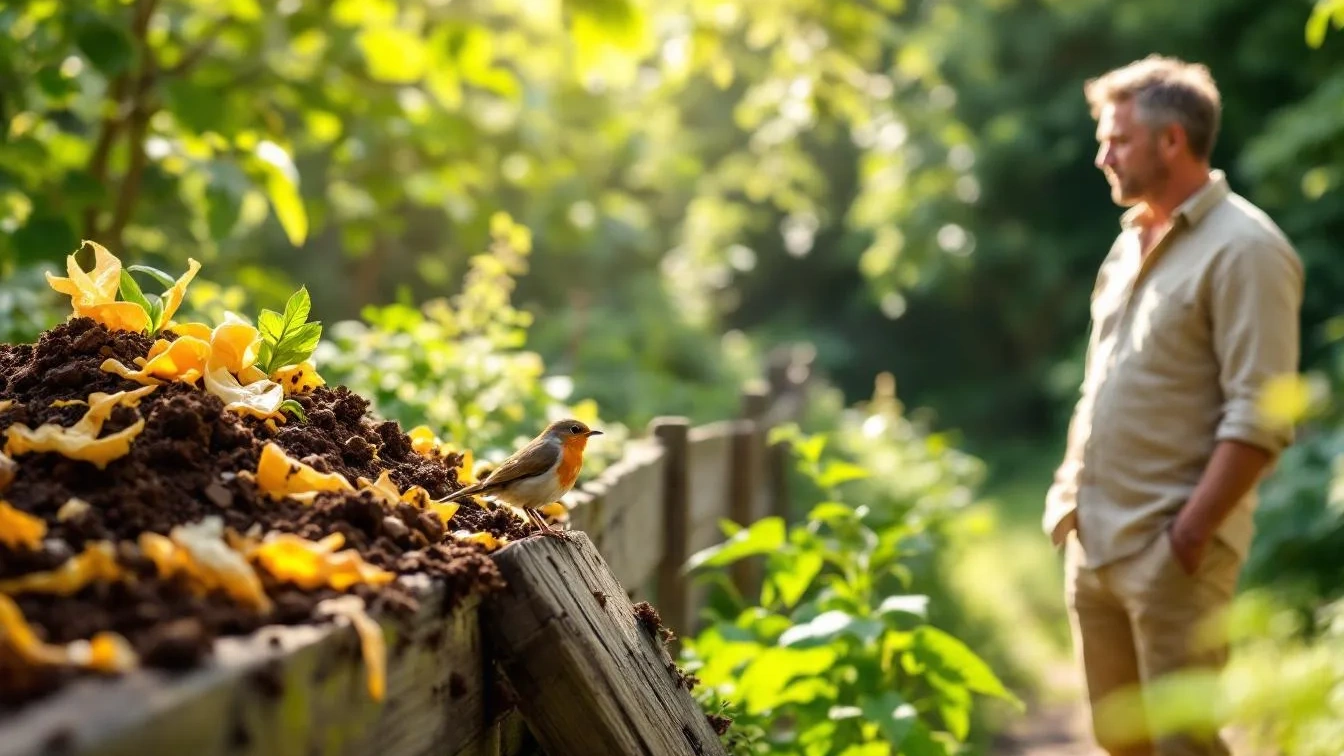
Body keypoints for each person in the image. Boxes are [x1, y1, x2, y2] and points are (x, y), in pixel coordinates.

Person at [1042, 55, 1305, 756]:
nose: (1102, 157)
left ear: (1171, 140)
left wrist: (1186, 538)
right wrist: (1068, 499)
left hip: (1172, 556)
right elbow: (1098, 384)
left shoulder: (1248, 249)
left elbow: (1261, 415)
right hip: (1094, 543)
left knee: (1184, 745)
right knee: (1120, 742)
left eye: (1117, 140)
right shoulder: (1127, 244)